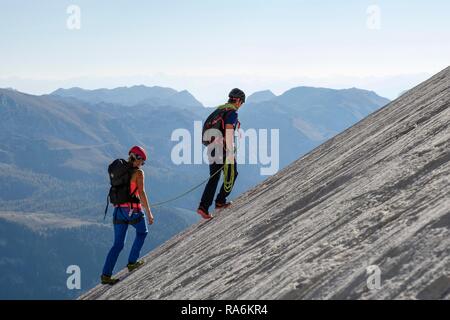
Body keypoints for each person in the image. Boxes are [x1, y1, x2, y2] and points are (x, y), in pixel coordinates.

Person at [101, 146, 154, 285]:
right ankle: (132, 262)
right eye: (142, 161)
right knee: (142, 232)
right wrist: (149, 212)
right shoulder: (138, 173)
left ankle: (106, 275)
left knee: (117, 244)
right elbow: (141, 193)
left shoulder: (120, 171)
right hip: (133, 210)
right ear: (138, 159)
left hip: (118, 211)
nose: (142, 164)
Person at [197, 88, 245, 219]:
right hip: (223, 149)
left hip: (212, 148)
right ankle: (220, 201)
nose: (241, 106)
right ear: (239, 101)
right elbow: (229, 130)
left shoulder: (220, 110)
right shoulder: (232, 113)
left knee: (214, 177)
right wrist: (230, 150)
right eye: (242, 103)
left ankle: (203, 207)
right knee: (232, 174)